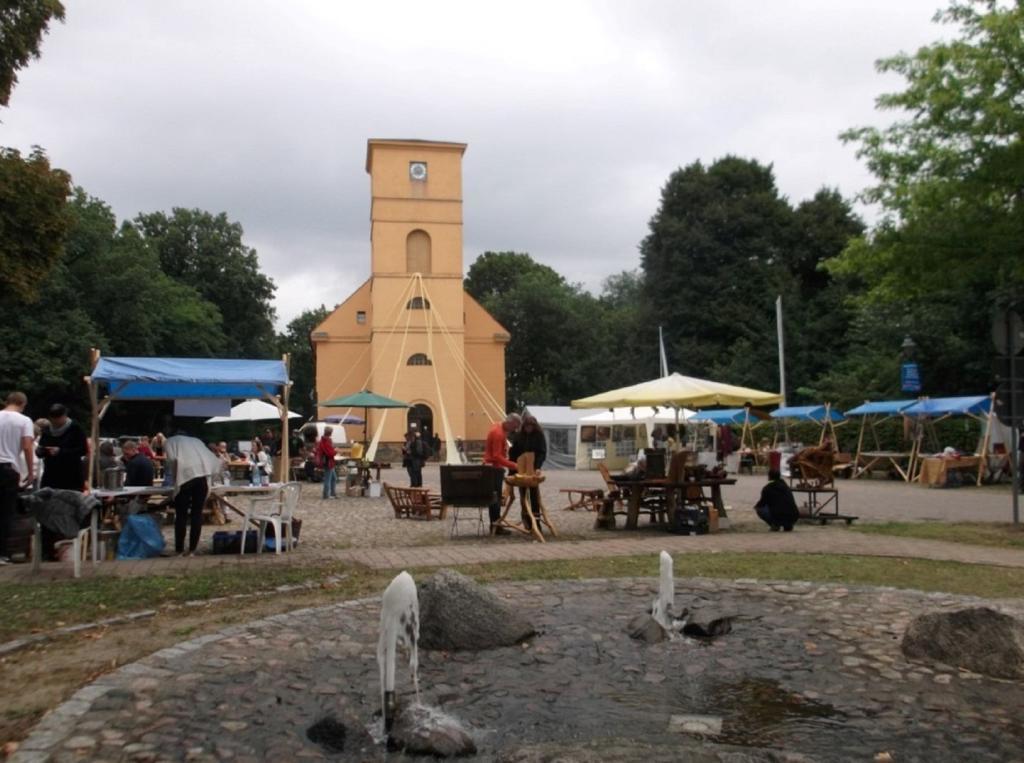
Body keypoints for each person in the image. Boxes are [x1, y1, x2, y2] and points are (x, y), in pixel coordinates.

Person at [164, 435, 222, 556]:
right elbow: (212, 459)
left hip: (185, 478)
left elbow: (172, 460)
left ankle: (179, 550)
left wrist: (175, 480)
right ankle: (192, 550)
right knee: (197, 513)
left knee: (181, 514)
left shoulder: (170, 442)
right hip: (202, 479)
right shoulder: (197, 441)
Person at [0, 393, 35, 565]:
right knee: (6, 512)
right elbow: (28, 446)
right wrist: (30, 471)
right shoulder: (24, 420)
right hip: (8, 468)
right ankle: (2, 553)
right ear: (22, 403)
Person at [483, 413, 522, 535]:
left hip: (493, 468)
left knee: (496, 498)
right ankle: (495, 525)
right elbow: (496, 456)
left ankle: (496, 523)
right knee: (496, 499)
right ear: (510, 422)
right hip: (494, 469)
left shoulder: (498, 426)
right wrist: (514, 465)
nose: (515, 430)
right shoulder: (498, 433)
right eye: (515, 427)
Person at [37, 404, 88, 491]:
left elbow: (83, 450)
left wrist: (61, 451)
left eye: (58, 419)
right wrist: (42, 451)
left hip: (71, 475)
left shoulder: (75, 429)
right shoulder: (47, 430)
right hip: (51, 475)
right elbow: (41, 448)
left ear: (64, 416)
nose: (55, 422)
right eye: (53, 419)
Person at [509, 414, 546, 521]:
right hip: (520, 469)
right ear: (524, 426)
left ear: (534, 426)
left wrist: (538, 467)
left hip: (533, 469)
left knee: (534, 495)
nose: (528, 429)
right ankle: (526, 518)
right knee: (523, 495)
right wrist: (512, 470)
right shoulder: (519, 436)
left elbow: (542, 453)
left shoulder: (539, 436)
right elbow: (513, 453)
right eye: (527, 427)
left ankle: (536, 519)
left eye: (531, 427)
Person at [315, 427, 337, 499]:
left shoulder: (324, 440)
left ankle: (333, 493)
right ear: (330, 433)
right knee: (328, 479)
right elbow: (330, 453)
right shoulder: (325, 441)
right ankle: (326, 495)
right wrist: (335, 451)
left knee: (334, 478)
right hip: (328, 462)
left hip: (329, 462)